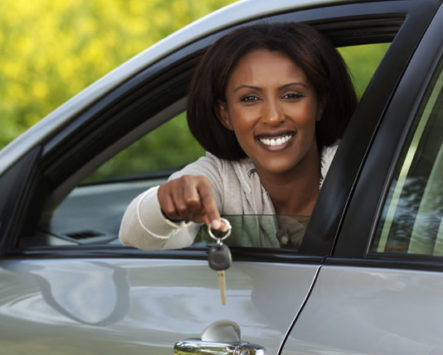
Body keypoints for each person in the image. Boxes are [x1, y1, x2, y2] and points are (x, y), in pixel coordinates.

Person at [119, 22, 357, 250]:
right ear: (225, 115)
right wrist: (167, 204)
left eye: (292, 95)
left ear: (320, 105)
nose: (273, 117)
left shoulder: (358, 171)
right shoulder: (221, 176)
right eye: (250, 99)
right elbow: (135, 233)